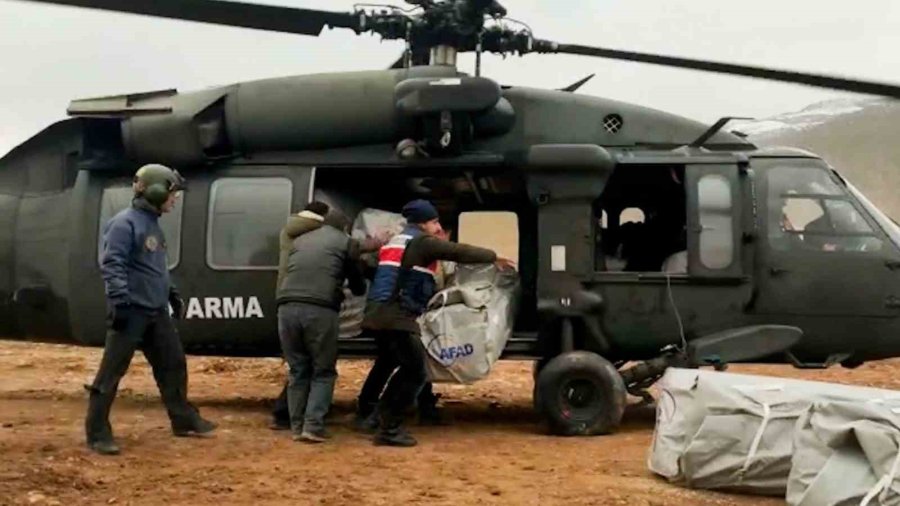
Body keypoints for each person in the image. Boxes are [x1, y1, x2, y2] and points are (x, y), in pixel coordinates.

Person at [361, 199, 515, 447]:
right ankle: (389, 428)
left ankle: (375, 418)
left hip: (378, 312)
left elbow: (368, 265)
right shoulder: (422, 242)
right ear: (423, 223)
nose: (438, 226)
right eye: (434, 221)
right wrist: (493, 257)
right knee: (415, 371)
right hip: (397, 316)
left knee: (400, 365)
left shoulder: (396, 241)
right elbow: (456, 251)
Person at [86, 164, 216, 456]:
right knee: (111, 374)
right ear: (156, 191)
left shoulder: (152, 224)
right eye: (172, 193)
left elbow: (152, 266)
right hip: (131, 310)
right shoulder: (124, 223)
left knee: (173, 365)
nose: (175, 199)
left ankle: (183, 420)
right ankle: (97, 433)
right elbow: (112, 264)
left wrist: (170, 293)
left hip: (156, 311)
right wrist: (119, 301)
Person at [276, 208, 367, 443]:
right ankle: (313, 426)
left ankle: (297, 427)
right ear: (345, 228)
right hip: (319, 309)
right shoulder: (347, 243)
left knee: (298, 370)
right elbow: (357, 284)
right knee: (323, 370)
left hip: (286, 308)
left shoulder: (300, 240)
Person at [270, 201, 331, 430]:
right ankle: (296, 416)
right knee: (314, 364)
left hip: (287, 300)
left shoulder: (292, 229)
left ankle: (288, 416)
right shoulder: (313, 230)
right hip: (308, 300)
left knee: (299, 364)